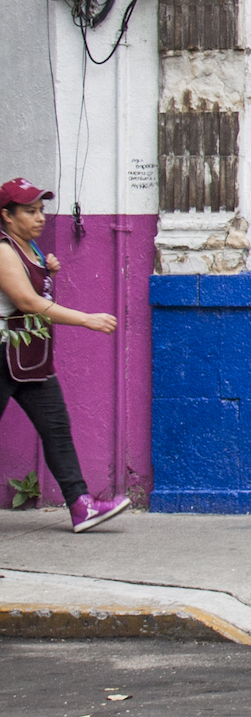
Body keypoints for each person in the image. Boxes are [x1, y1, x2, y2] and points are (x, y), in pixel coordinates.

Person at [0, 179, 131, 532]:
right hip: (3, 356)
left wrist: (48, 270)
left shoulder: (32, 250)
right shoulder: (3, 250)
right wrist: (85, 319)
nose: (40, 217)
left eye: (41, 210)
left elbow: (29, 293)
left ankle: (80, 506)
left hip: (30, 358)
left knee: (57, 430)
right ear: (6, 216)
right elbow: (28, 303)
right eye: (30, 211)